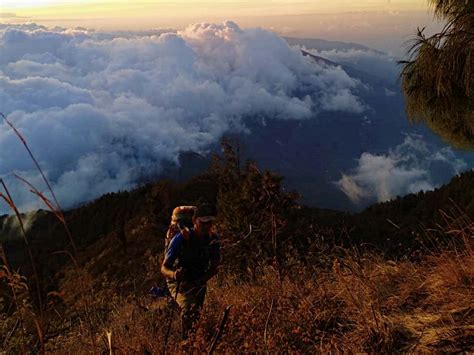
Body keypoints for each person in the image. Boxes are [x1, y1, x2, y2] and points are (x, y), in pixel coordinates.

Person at [161, 203, 221, 338]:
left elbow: (215, 267)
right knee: (189, 308)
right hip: (177, 280)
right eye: (203, 222)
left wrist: (200, 281)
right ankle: (186, 344)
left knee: (197, 312)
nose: (207, 226)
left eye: (209, 222)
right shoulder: (181, 238)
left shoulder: (213, 240)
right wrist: (175, 275)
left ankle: (195, 342)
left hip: (199, 278)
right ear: (194, 221)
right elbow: (164, 268)